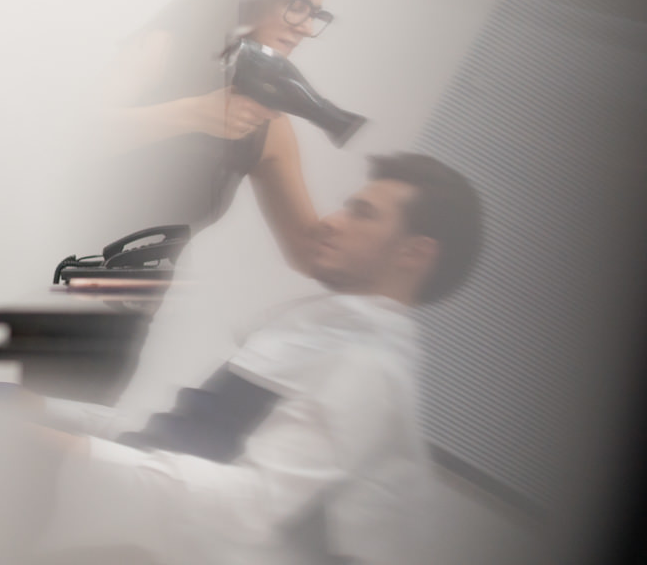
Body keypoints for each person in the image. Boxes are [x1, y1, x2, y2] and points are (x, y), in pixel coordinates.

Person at [34, 153, 484, 564]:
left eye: (362, 214)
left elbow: (248, 506)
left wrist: (69, 450)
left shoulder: (369, 372)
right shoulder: (322, 333)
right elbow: (177, 434)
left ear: (414, 253)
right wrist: (40, 411)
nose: (331, 221)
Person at [100, 0, 335, 272]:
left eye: (315, 13)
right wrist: (196, 113)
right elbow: (66, 144)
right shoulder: (161, 50)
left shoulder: (267, 126)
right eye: (297, 5)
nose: (307, 27)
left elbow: (311, 252)